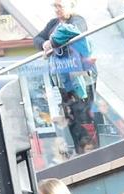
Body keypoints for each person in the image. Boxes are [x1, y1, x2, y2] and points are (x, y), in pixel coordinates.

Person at [37, 0, 100, 155]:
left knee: (84, 115)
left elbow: (68, 35)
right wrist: (45, 42)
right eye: (55, 6)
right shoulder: (53, 23)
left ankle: (92, 152)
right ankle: (80, 151)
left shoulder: (77, 20)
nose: (57, 9)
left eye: (60, 6)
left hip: (80, 77)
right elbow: (37, 38)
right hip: (64, 78)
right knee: (71, 116)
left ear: (71, 5)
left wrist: (50, 42)